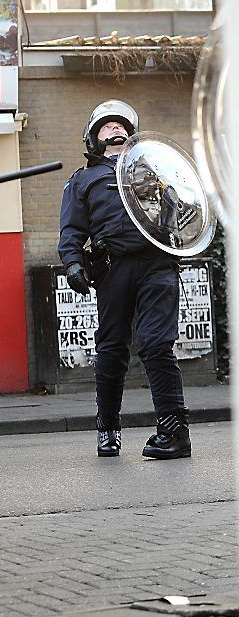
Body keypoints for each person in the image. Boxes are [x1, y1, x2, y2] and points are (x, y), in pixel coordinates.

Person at [59, 100, 191, 460]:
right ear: (93, 139)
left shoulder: (154, 172)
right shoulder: (83, 180)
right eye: (106, 128)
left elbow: (180, 212)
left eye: (120, 127)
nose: (114, 131)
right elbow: (71, 230)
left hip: (158, 264)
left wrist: (175, 200)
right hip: (112, 267)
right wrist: (72, 264)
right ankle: (108, 430)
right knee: (112, 348)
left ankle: (174, 431)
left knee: (156, 344)